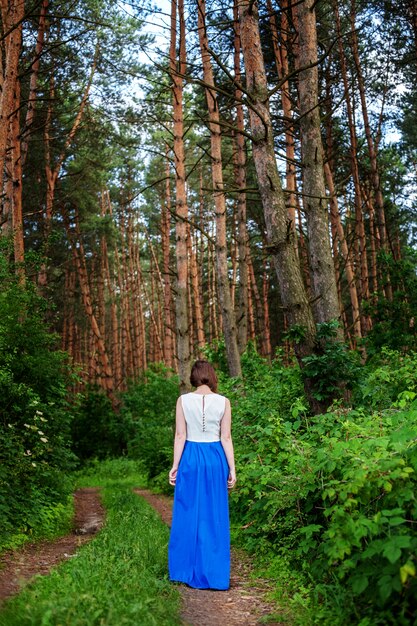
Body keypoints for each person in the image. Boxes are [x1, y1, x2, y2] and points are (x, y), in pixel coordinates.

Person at [168, 359, 236, 590]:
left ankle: (184, 570)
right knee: (214, 515)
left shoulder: (183, 400)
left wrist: (175, 465)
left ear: (194, 378)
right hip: (215, 457)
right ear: (212, 376)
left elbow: (180, 435)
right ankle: (214, 574)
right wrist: (232, 468)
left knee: (188, 511)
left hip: (191, 457)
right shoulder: (224, 402)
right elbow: (226, 437)